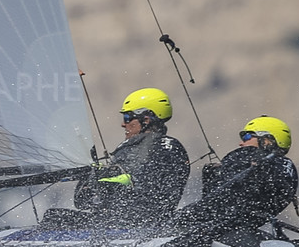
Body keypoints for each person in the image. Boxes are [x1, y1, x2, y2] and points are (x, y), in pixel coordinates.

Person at [151, 115, 299, 247]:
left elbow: (220, 197)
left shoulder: (258, 158)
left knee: (161, 242)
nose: (242, 142)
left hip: (224, 223)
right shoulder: (287, 168)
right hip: (239, 222)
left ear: (267, 141)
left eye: (247, 136)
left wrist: (214, 173)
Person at [43, 87, 190, 230]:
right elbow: (147, 187)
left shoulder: (141, 148)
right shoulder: (173, 147)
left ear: (145, 120)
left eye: (127, 117)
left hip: (126, 227)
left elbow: (84, 201)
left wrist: (97, 178)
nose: (123, 124)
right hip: (156, 223)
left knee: (53, 217)